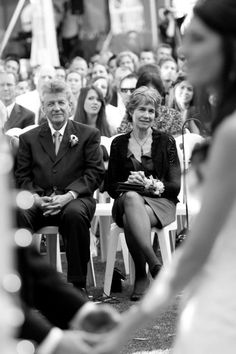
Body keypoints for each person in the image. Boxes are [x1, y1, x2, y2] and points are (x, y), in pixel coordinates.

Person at [92, 0, 236, 353]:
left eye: (197, 39)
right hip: (214, 284)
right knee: (129, 198)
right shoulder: (226, 123)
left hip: (221, 299)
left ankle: (149, 270)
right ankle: (148, 269)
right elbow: (111, 183)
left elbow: (196, 251)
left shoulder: (229, 132)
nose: (183, 50)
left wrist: (124, 331)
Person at [15, 79, 105, 293]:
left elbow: (94, 173)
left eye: (61, 103)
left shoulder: (88, 135)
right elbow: (22, 176)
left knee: (74, 215)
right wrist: (35, 198)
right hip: (40, 201)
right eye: (51, 103)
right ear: (43, 107)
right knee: (18, 212)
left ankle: (77, 284)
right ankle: (25, 283)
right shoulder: (29, 138)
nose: (56, 108)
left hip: (76, 199)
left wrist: (69, 195)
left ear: (70, 105)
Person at [105, 86, 181, 301]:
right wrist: (129, 183)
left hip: (160, 204)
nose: (147, 115)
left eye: (151, 111)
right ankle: (155, 264)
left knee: (132, 218)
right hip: (124, 201)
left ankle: (141, 275)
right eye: (142, 110)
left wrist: (150, 184)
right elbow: (111, 187)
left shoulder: (166, 142)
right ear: (131, 112)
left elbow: (175, 186)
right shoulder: (119, 143)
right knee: (131, 198)